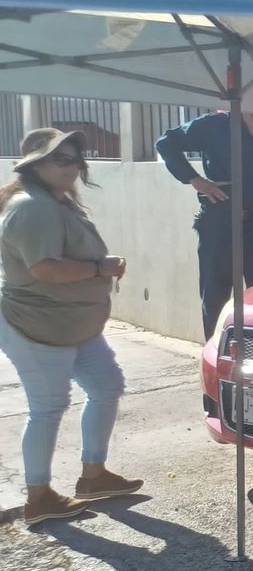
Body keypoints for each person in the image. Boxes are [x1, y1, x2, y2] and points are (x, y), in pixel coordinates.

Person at [0, 129, 141, 525]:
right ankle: (39, 496)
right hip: (38, 326)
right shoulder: (32, 207)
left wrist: (101, 263)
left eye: (76, 158)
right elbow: (44, 268)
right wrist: (100, 268)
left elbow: (63, 255)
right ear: (34, 166)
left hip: (75, 325)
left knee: (106, 387)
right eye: (60, 159)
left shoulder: (56, 203)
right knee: (47, 409)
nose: (73, 166)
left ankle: (94, 476)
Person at [155, 112, 253, 340]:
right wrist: (195, 180)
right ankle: (215, 358)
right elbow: (166, 143)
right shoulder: (216, 124)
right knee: (215, 297)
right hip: (219, 223)